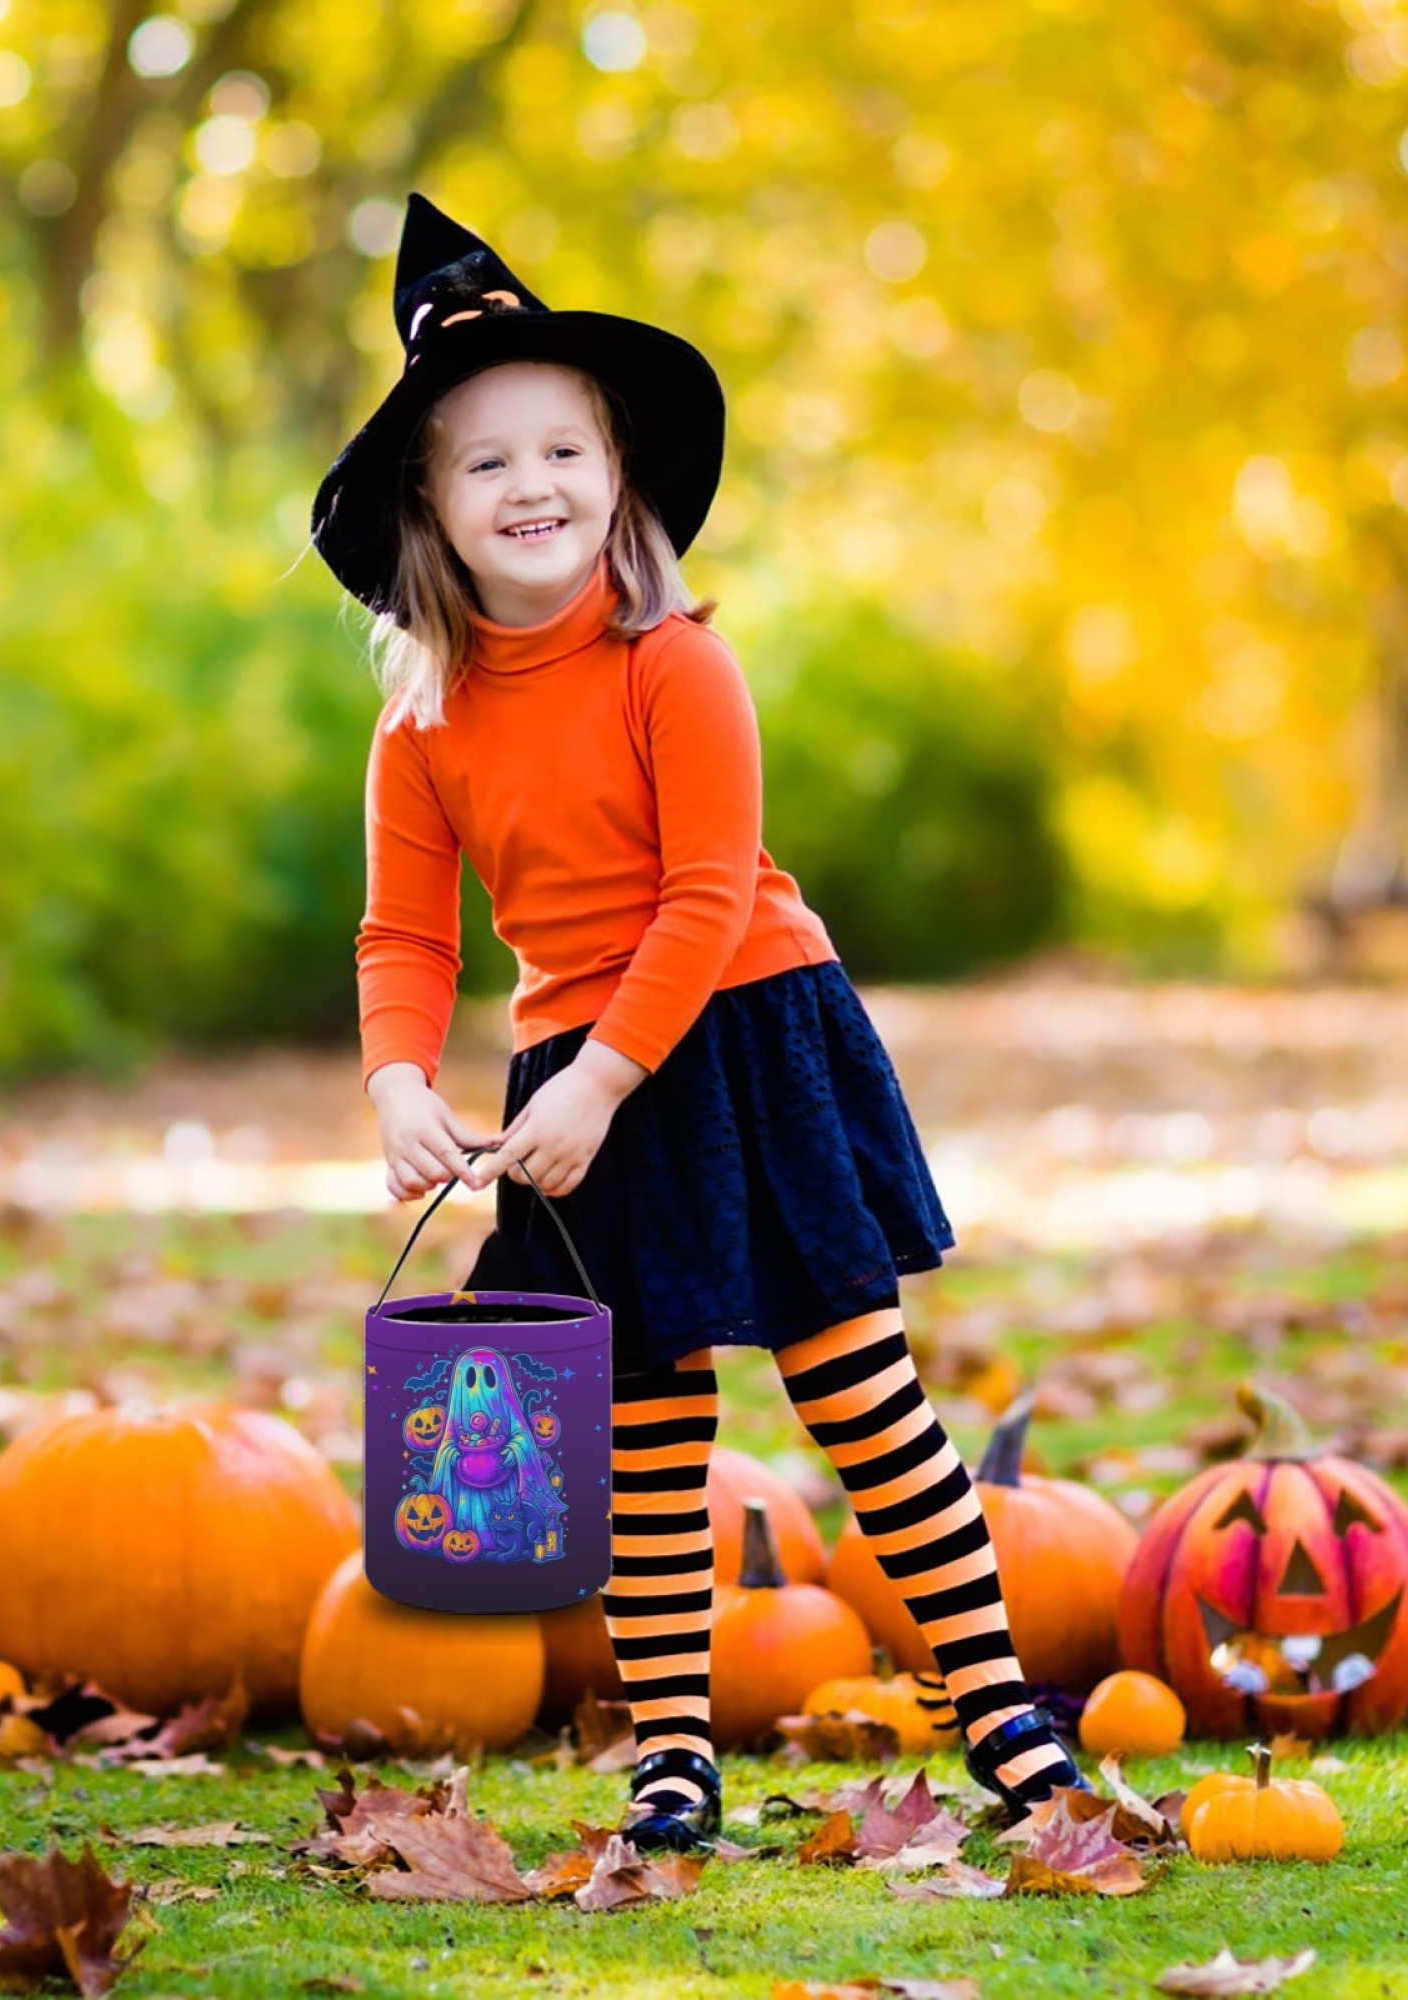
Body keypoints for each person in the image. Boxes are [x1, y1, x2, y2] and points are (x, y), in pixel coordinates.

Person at [311, 192, 1091, 1854]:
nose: (529, 487)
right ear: (429, 512)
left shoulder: (676, 666)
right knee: (647, 1427)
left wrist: (606, 1076)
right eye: (484, 463)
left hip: (739, 1036)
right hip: (575, 1076)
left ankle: (1002, 1714)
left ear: (619, 479)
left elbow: (705, 891)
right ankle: (676, 1747)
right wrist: (395, 1083)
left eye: (561, 453)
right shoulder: (425, 726)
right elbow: (402, 931)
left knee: (858, 1395)